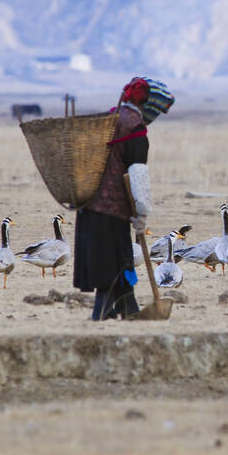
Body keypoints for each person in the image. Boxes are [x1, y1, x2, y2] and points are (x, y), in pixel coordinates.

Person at [73, 77, 174, 320]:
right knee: (112, 262)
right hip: (111, 210)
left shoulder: (109, 119)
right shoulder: (135, 128)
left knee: (118, 260)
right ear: (149, 106)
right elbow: (137, 174)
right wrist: (142, 212)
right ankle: (103, 312)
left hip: (88, 205)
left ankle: (128, 307)